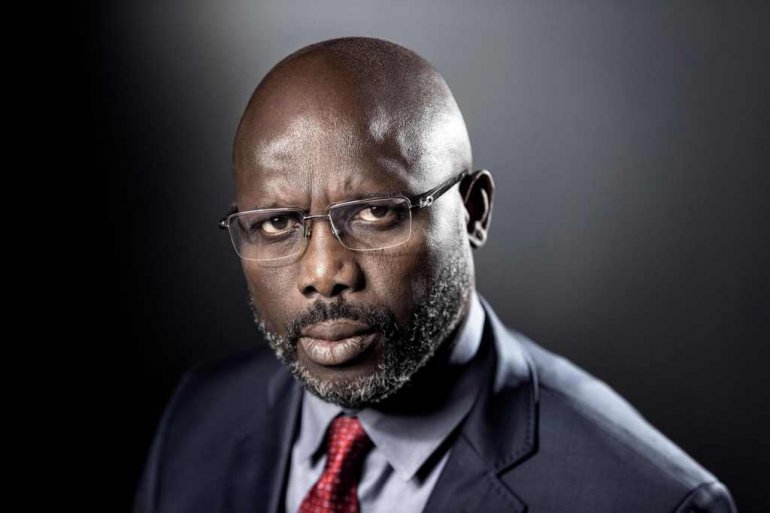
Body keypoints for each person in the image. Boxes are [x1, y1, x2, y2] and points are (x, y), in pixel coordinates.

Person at [132, 36, 737, 513]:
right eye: (277, 224)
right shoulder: (198, 421)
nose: (323, 273)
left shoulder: (649, 499)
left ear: (473, 211)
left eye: (376, 213)